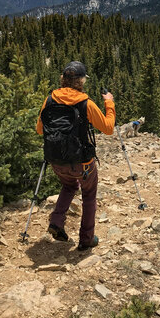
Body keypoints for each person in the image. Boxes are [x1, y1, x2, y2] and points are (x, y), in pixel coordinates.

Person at [36, 61, 115, 250]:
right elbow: (108, 128)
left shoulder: (49, 100)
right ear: (81, 81)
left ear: (63, 79)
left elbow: (40, 130)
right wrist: (109, 103)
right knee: (89, 195)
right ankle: (86, 239)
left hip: (56, 160)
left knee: (69, 186)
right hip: (82, 162)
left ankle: (56, 221)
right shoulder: (85, 103)